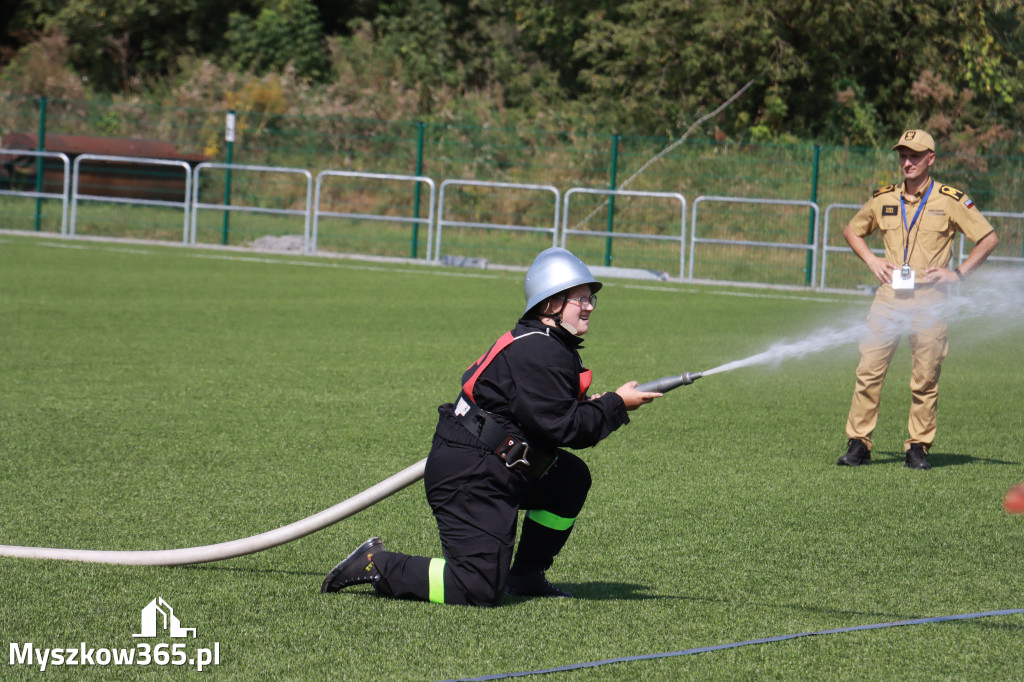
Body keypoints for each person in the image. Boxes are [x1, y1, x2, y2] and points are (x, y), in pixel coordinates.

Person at [321, 247, 662, 605]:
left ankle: (527, 575)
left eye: (590, 298)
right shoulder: (539, 351)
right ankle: (377, 564)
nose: (590, 305)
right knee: (477, 588)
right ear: (550, 305)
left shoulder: (546, 344)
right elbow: (566, 430)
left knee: (568, 478)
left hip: (497, 463)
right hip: (473, 475)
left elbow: (546, 413)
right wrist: (616, 405)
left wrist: (598, 406)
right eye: (580, 298)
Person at [838, 129, 999, 470]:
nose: (906, 162)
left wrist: (958, 274)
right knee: (868, 371)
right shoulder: (883, 198)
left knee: (925, 377)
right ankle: (859, 444)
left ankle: (917, 448)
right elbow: (852, 230)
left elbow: (988, 238)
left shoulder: (951, 199)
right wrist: (871, 260)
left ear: (931, 159)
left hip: (930, 302)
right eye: (902, 155)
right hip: (888, 298)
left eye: (914, 155)